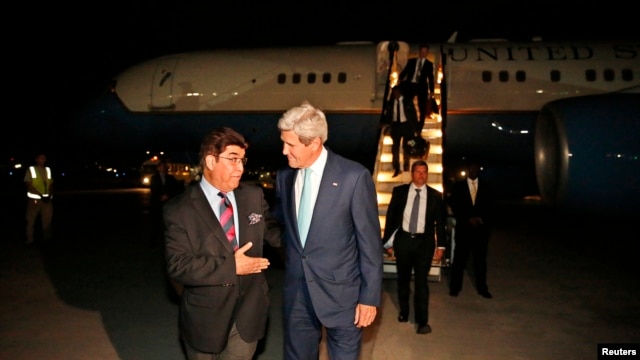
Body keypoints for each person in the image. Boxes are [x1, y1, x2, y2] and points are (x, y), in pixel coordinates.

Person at [274, 101, 383, 360]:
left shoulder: (353, 177)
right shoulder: (285, 177)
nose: (283, 151)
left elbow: (369, 244)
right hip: (297, 296)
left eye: (291, 144)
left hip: (343, 298)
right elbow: (283, 228)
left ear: (314, 143)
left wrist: (369, 297)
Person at [163, 127, 282, 359]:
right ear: (210, 160)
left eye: (242, 160)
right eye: (233, 159)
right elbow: (178, 265)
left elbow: (276, 234)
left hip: (248, 314)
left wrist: (315, 240)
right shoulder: (179, 209)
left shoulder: (253, 196)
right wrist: (231, 267)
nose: (241, 167)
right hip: (205, 318)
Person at [382, 160, 446, 335]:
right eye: (418, 171)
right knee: (403, 280)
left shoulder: (435, 196)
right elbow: (391, 218)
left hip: (424, 244)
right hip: (403, 241)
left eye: (424, 172)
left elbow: (441, 223)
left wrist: (441, 246)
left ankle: (422, 321)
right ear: (412, 173)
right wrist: (388, 243)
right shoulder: (400, 192)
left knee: (421, 283)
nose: (421, 175)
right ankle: (404, 312)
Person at [447, 159, 494, 299]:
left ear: (478, 170)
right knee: (459, 260)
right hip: (464, 228)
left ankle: (482, 288)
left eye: (476, 169)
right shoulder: (458, 186)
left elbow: (490, 206)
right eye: (471, 169)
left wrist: (481, 218)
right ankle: (455, 288)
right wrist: (467, 218)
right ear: (468, 170)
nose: (473, 171)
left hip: (481, 229)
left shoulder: (486, 187)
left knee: (480, 261)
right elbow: (454, 205)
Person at [383, 85, 420, 177]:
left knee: (407, 146)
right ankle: (396, 168)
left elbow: (413, 115)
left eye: (396, 93)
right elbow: (389, 115)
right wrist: (387, 124)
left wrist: (416, 128)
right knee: (395, 148)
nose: (395, 94)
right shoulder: (391, 103)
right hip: (396, 126)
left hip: (407, 125)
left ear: (399, 92)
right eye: (393, 93)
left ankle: (406, 165)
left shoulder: (407, 101)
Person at [398, 43, 436, 129]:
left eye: (425, 52)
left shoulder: (429, 64)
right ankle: (407, 121)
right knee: (407, 103)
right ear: (419, 52)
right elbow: (405, 71)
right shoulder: (412, 61)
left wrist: (432, 90)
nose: (423, 54)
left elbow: (430, 78)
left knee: (422, 106)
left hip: (421, 86)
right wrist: (399, 79)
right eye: (422, 52)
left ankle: (420, 124)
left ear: (427, 53)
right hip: (411, 84)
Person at [148, 158, 182, 248]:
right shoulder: (154, 178)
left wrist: (168, 195)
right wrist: (160, 196)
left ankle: (165, 243)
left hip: (167, 205)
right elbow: (153, 189)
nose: (163, 168)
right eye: (161, 166)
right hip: (156, 204)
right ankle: (154, 243)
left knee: (166, 225)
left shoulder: (171, 178)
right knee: (155, 224)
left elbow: (174, 189)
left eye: (164, 166)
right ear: (158, 168)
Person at [24, 152, 54, 245]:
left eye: (44, 158)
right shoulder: (31, 169)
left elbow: (51, 183)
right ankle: (30, 239)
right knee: (31, 219)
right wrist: (40, 195)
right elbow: (28, 184)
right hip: (35, 199)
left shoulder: (48, 170)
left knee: (47, 219)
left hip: (47, 200)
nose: (43, 160)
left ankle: (47, 238)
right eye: (41, 158)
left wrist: (50, 194)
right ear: (36, 159)